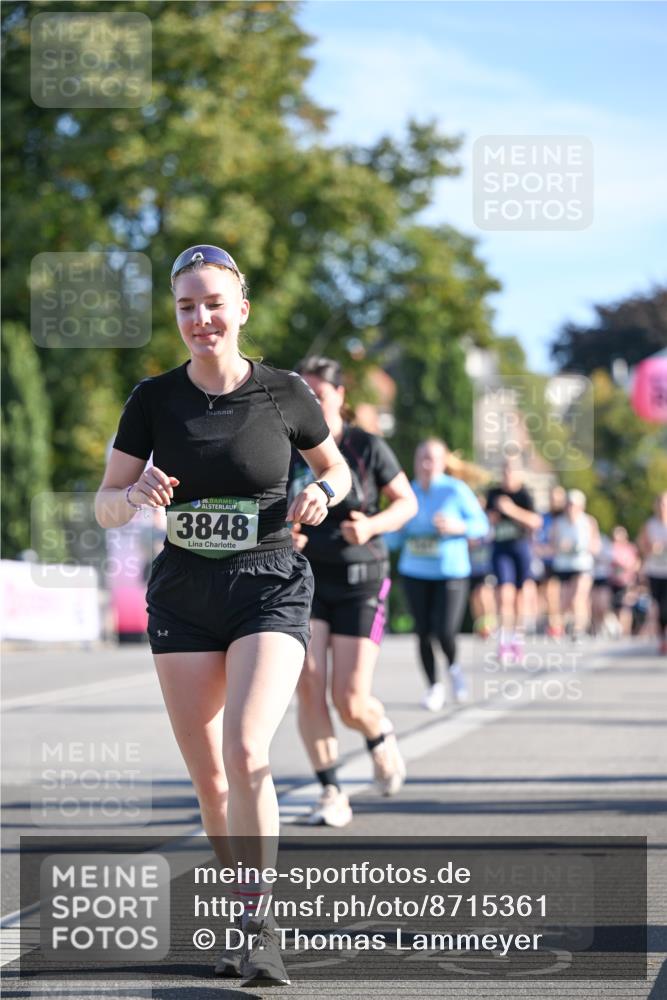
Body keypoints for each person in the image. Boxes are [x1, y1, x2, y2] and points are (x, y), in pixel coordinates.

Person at [94, 245, 351, 986]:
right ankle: (241, 913)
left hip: (268, 582)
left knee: (245, 750)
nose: (200, 318)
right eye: (185, 307)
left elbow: (333, 467)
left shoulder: (285, 392)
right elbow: (106, 506)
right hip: (183, 594)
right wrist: (134, 494)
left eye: (212, 303)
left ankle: (261, 926)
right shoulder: (153, 400)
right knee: (209, 779)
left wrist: (322, 494)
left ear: (240, 309)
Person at [289, 357, 417, 828]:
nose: (313, 402)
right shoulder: (286, 447)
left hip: (361, 578)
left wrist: (373, 526)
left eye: (320, 393)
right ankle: (331, 791)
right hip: (306, 580)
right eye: (305, 394)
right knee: (308, 683)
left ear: (341, 396)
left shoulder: (366, 446)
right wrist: (288, 535)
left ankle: (378, 733)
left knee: (351, 701)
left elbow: (407, 502)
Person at [392, 438, 489, 711]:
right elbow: (391, 539)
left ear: (443, 462)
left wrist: (458, 527)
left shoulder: (455, 490)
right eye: (421, 458)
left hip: (450, 572)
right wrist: (394, 530)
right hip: (415, 571)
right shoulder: (407, 493)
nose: (425, 464)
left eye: (431, 458)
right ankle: (434, 686)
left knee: (445, 632)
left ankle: (455, 669)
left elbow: (481, 525)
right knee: (423, 632)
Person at [486, 457, 542, 664]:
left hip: (520, 548)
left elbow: (535, 521)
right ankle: (504, 641)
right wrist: (492, 515)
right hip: (500, 549)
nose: (508, 474)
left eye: (512, 470)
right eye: (505, 470)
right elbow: (486, 520)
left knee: (520, 598)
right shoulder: (493, 493)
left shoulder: (524, 494)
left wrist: (510, 510)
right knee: (504, 594)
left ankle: (517, 641)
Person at [551, 489, 600, 639]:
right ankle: (569, 624)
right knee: (565, 600)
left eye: (574, 505)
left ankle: (578, 629)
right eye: (569, 505)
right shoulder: (558, 523)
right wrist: (561, 546)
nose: (571, 508)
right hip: (564, 565)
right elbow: (551, 544)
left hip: (582, 564)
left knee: (579, 596)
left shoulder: (588, 521)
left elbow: (596, 546)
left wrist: (583, 547)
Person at [533, 485, 567, 636]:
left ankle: (559, 622)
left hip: (565, 562)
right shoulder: (544, 517)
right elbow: (537, 538)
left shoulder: (566, 518)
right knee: (548, 593)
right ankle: (554, 623)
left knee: (561, 594)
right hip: (547, 562)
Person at [638, 492, 667, 654]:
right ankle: (662, 638)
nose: (663, 507)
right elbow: (642, 546)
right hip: (655, 571)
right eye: (660, 504)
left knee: (665, 607)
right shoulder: (650, 525)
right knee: (657, 607)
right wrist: (651, 548)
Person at [609, 526, 640, 636]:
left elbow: (636, 564)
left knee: (625, 607)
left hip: (627, 581)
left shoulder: (630, 548)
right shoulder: (610, 548)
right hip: (612, 582)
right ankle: (618, 631)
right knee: (614, 607)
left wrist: (627, 567)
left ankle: (624, 632)